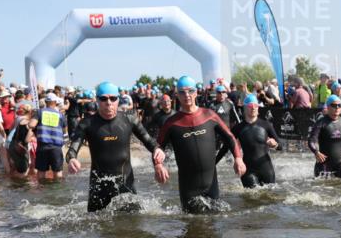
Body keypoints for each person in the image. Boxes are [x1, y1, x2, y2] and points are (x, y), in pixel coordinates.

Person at [66, 82, 165, 212]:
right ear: (97, 100)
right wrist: (72, 159)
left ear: (118, 100)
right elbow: (72, 150)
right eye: (104, 98)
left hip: (126, 188)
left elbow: (148, 140)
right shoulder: (87, 123)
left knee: (133, 229)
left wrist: (157, 150)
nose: (109, 102)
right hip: (99, 190)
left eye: (113, 98)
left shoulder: (130, 119)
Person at [156, 75, 245, 212]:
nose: (187, 95)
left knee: (215, 226)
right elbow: (158, 147)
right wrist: (158, 165)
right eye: (182, 92)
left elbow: (230, 137)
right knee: (192, 228)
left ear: (196, 92)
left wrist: (238, 158)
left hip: (212, 186)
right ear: (177, 95)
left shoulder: (209, 115)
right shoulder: (171, 123)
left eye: (190, 91)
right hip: (188, 189)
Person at [218, 93, 280, 187]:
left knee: (270, 196)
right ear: (245, 108)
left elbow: (281, 146)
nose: (254, 108)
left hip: (266, 168)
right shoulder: (238, 128)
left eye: (256, 105)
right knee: (251, 197)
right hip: (248, 169)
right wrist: (213, 163)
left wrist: (275, 145)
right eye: (251, 106)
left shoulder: (266, 125)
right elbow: (225, 147)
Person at [308, 94, 341, 178]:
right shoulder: (321, 123)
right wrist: (316, 152)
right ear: (328, 107)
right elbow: (312, 140)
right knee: (321, 188)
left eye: (339, 105)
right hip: (324, 163)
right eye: (334, 105)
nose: (337, 107)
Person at [31, 93, 67, 179]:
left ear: (46, 102)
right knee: (58, 173)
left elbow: (32, 125)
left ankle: (42, 191)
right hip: (56, 147)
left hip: (42, 146)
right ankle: (57, 191)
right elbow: (65, 131)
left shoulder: (40, 112)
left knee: (41, 172)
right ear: (55, 102)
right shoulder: (61, 115)